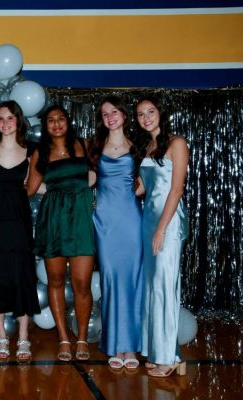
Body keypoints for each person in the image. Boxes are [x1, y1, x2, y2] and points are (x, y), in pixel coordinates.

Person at [26, 104, 95, 362]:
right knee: (55, 280)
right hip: (53, 220)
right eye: (51, 120)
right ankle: (64, 339)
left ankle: (82, 339)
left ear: (68, 121)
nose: (56, 124)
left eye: (61, 119)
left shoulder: (84, 145)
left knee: (82, 283)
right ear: (45, 126)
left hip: (80, 220)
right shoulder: (40, 153)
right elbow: (30, 189)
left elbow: (108, 171)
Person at [0, 101, 40, 362]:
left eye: (10, 118)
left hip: (17, 223)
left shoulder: (32, 151)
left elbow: (34, 187)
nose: (5, 123)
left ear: (18, 120)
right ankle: (1, 335)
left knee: (21, 275)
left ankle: (23, 336)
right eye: (0, 118)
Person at [88, 96, 144, 369]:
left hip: (130, 220)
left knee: (132, 279)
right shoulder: (95, 146)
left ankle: (130, 347)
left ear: (124, 114)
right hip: (105, 221)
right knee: (110, 280)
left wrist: (127, 196)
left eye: (114, 112)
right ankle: (114, 344)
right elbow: (89, 179)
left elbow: (145, 184)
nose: (110, 117)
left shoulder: (137, 147)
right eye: (104, 113)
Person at [136, 97, 189, 377]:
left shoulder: (177, 143)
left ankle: (169, 357)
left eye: (151, 111)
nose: (146, 117)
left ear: (161, 113)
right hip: (148, 221)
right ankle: (158, 350)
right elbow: (143, 188)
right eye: (140, 114)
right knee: (152, 287)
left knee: (164, 287)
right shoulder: (148, 147)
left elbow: (176, 189)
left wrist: (161, 229)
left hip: (168, 223)